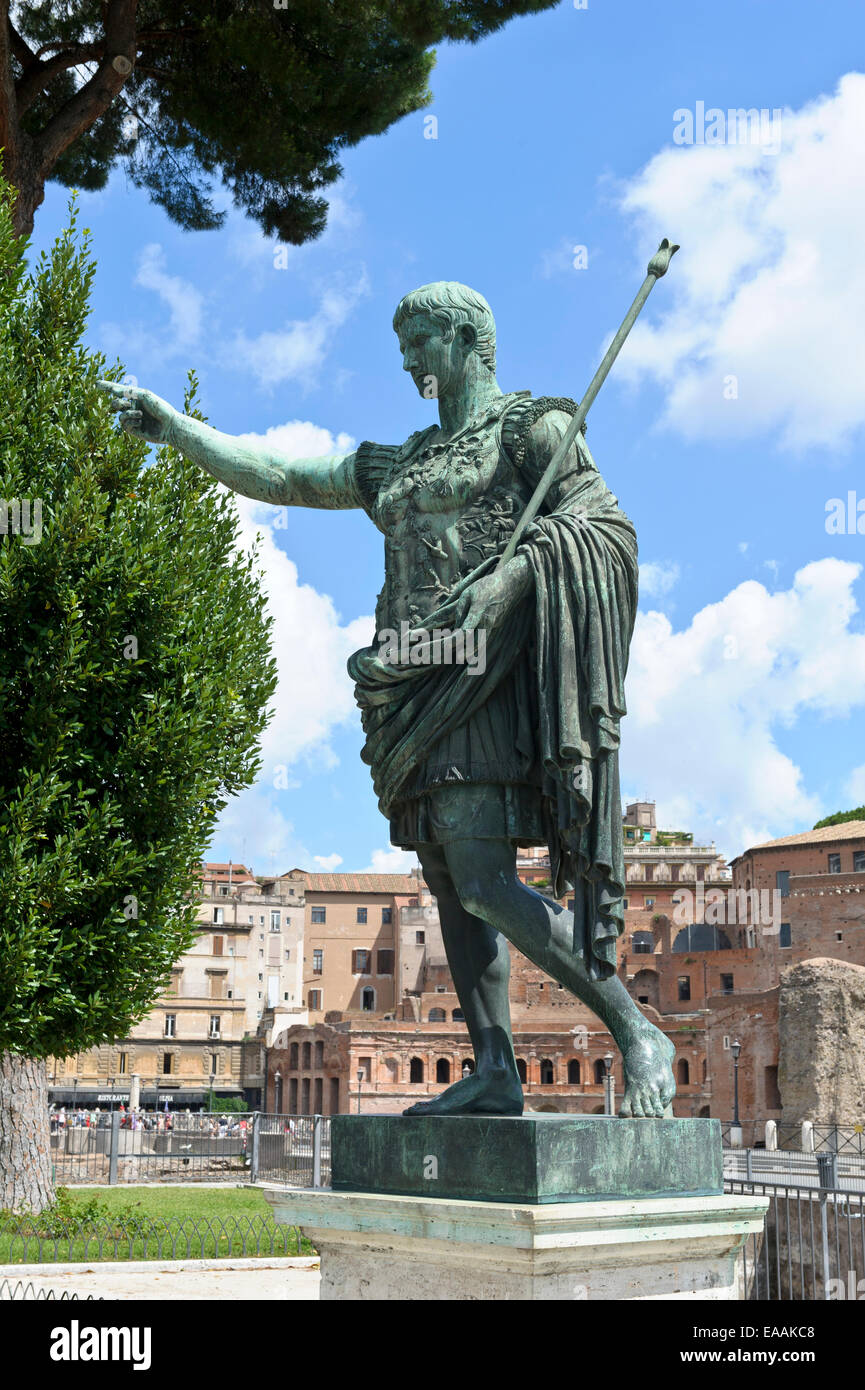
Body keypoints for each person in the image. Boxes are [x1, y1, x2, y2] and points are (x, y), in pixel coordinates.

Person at [99, 282, 675, 1118]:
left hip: (484, 677)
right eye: (400, 345)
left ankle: (635, 1031)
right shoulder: (398, 462)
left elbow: (605, 529)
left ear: (467, 337)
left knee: (480, 880)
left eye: (419, 341)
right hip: (409, 678)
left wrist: (514, 576)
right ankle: (494, 1070)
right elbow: (284, 473)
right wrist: (177, 429)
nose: (407, 360)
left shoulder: (533, 430)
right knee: (447, 879)